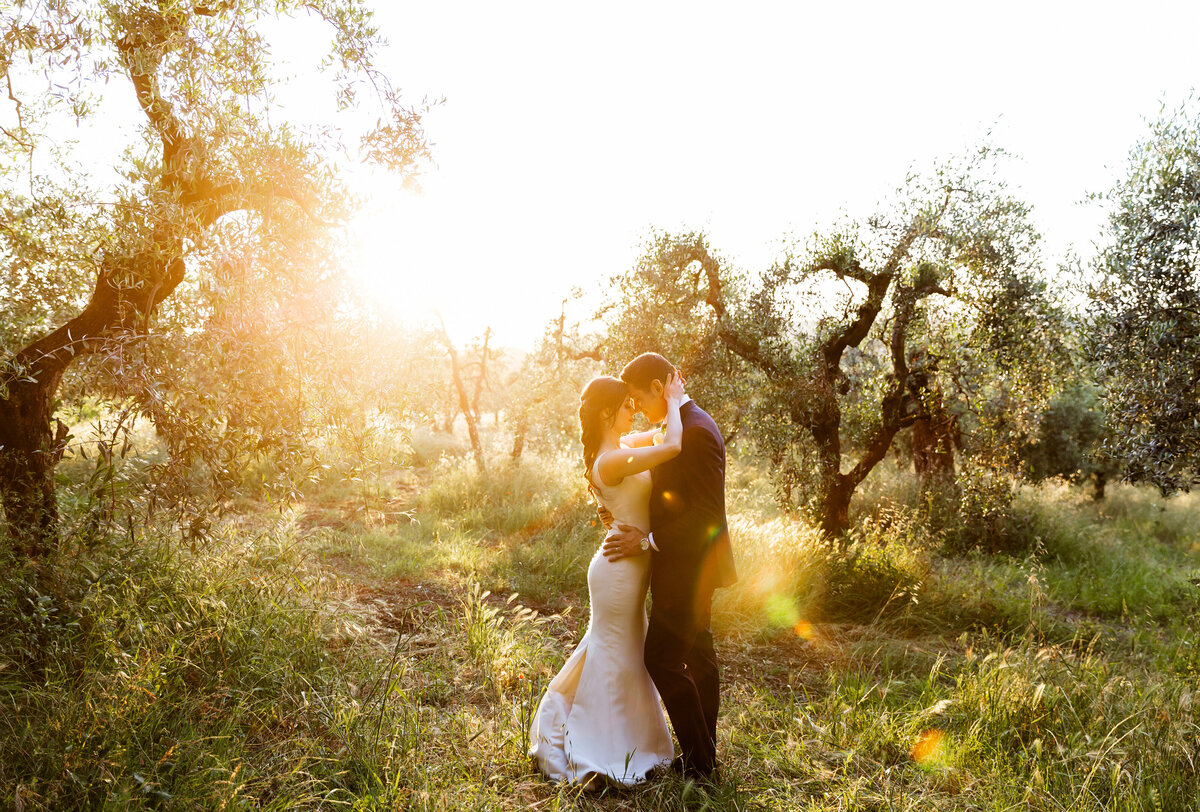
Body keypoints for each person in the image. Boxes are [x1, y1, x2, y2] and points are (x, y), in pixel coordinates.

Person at [527, 370, 687, 788]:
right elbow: (671, 443)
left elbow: (655, 437)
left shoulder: (619, 448)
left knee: (625, 651)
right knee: (616, 654)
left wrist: (666, 409)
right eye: (626, 405)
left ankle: (626, 740)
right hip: (618, 573)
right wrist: (674, 397)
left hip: (627, 565)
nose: (634, 410)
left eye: (634, 404)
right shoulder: (611, 461)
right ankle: (599, 748)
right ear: (605, 413)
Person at [601, 352, 738, 782]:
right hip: (690, 566)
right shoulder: (685, 421)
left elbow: (706, 517)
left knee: (661, 658)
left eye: (639, 399)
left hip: (687, 569)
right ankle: (703, 760)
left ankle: (700, 762)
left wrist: (646, 540)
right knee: (699, 656)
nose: (638, 408)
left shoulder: (694, 431)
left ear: (659, 388)